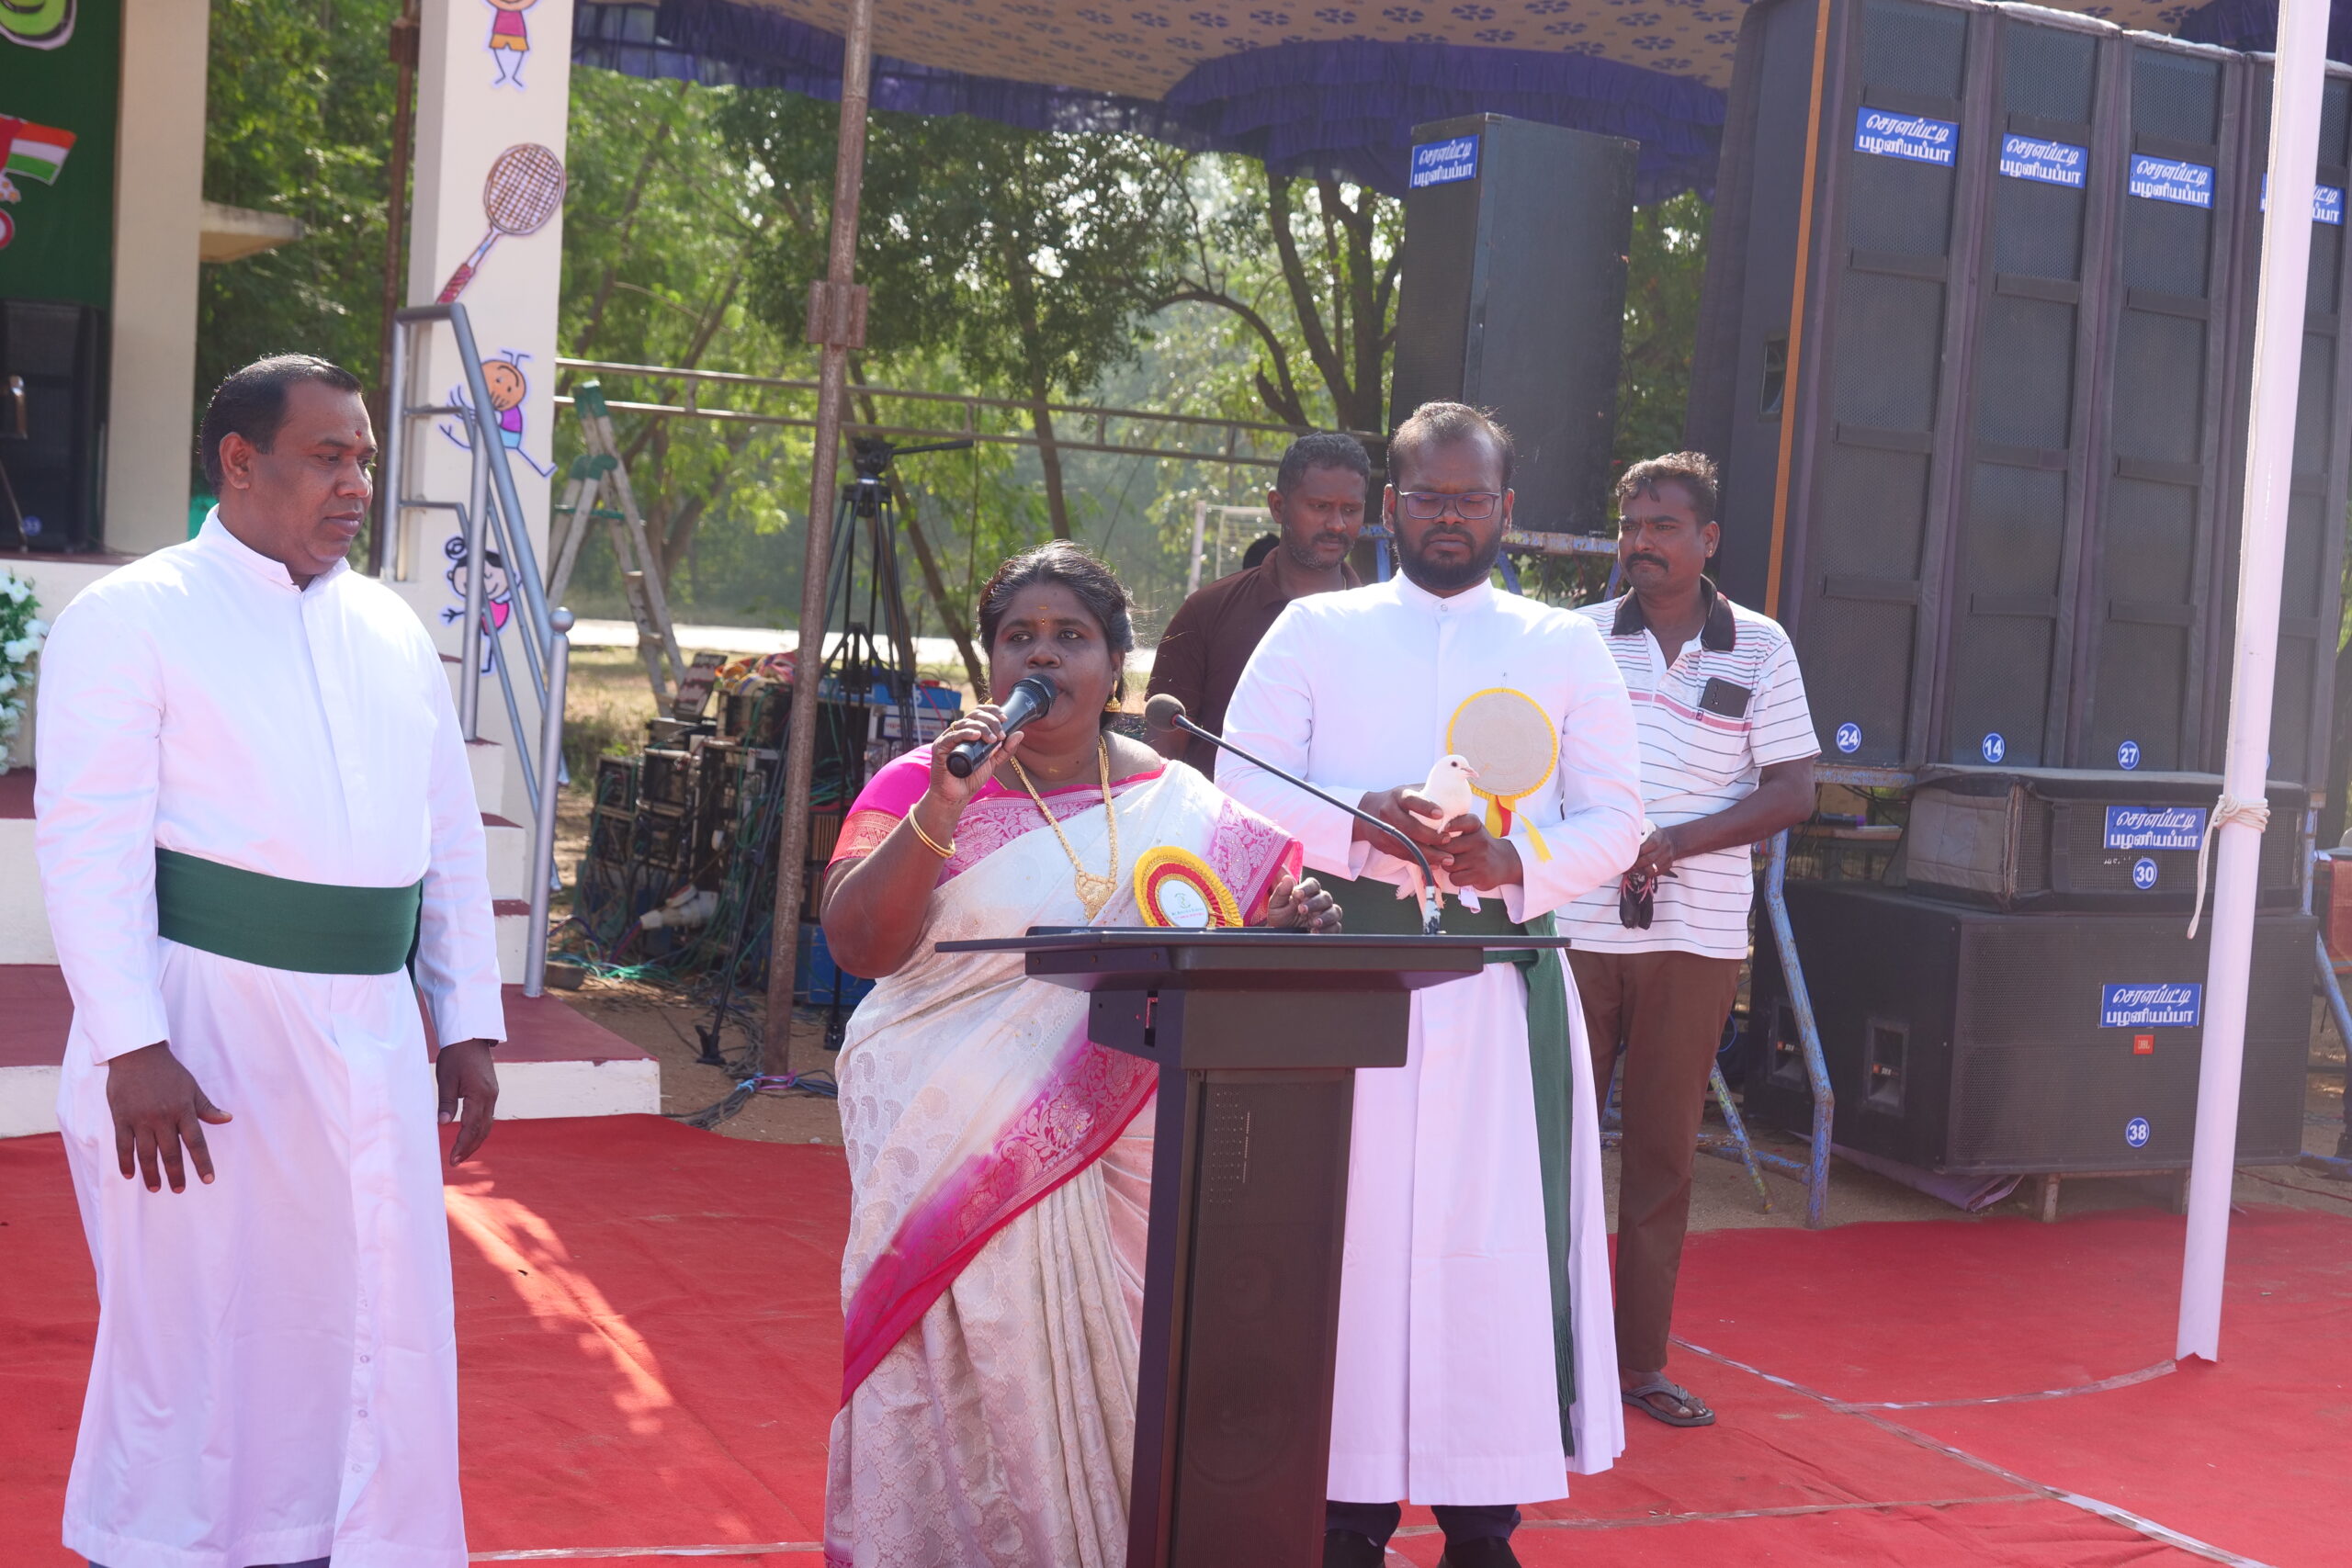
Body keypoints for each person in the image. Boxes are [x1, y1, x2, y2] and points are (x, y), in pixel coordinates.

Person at [33, 355, 505, 1568]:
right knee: (198, 1325)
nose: (356, 484)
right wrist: (133, 1045)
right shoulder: (132, 616)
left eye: (364, 459)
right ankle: (170, 1546)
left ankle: (342, 1539)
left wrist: (464, 1018)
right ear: (240, 462)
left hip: (372, 1035)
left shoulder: (390, 626)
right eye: (327, 456)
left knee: (369, 1310)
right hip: (203, 1036)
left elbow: (446, 836)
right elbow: (87, 846)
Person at [820, 540, 1340, 1567]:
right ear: (990, 663)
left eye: (1071, 636)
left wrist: (1277, 931)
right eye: (1019, 637)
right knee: (967, 1363)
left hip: (1130, 1144)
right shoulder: (920, 782)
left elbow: (1207, 958)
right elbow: (858, 947)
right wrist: (944, 805)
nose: (1043, 656)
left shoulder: (1180, 803)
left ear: (1114, 664)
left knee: (1133, 1368)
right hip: (946, 1128)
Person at [1219, 402, 1642, 1568]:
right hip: (1341, 982)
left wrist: (1517, 858)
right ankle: (1343, 1510)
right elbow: (1236, 787)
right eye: (1426, 496)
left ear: (1507, 509)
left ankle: (1481, 1521)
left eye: (1471, 498)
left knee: (1490, 1249)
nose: (1448, 517)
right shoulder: (1317, 630)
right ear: (1389, 507)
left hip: (1497, 988)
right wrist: (1356, 823)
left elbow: (1618, 817)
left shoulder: (1561, 646)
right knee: (1345, 1241)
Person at [1557, 452, 1818, 1429]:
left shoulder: (1761, 647)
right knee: (1553, 1145)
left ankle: (1637, 1365)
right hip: (1576, 930)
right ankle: (1543, 1356)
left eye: (1662, 525)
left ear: (1708, 539)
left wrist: (1675, 842)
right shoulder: (1578, 638)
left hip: (1698, 938)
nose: (1641, 542)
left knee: (1663, 1158)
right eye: (1631, 525)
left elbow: (1794, 791)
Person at [1147, 432, 1370, 776]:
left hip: (1346, 813)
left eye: (1350, 510)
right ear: (1278, 506)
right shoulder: (1206, 612)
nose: (1337, 524)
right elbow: (1161, 759)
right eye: (1320, 507)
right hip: (1217, 810)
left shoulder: (1382, 625)